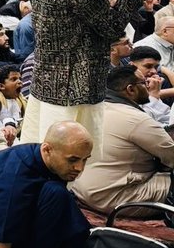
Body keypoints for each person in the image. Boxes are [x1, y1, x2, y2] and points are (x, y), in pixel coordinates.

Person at [22, 0, 150, 143]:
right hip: (75, 88)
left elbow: (73, 3)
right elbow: (112, 28)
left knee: (43, 146)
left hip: (48, 79)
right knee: (74, 154)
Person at [71, 65, 174, 216]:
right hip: (116, 197)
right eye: (144, 83)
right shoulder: (136, 119)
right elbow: (171, 156)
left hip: (82, 189)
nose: (148, 86)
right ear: (131, 89)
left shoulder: (94, 109)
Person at [0, 65, 26, 144]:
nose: (20, 82)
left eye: (20, 79)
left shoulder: (21, 100)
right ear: (1, 86)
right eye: (14, 79)